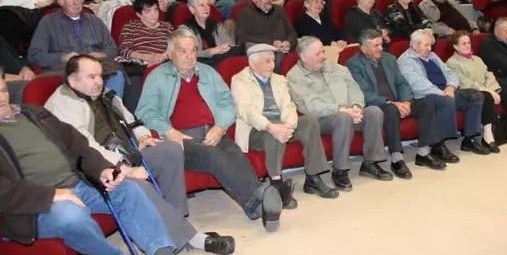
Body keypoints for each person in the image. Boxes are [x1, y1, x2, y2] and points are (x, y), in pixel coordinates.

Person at [0, 73, 214, 255]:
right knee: (71, 216)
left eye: (2, 91)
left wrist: (102, 168)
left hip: (77, 185)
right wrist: (53, 194)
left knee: (129, 190)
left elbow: (77, 143)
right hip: (35, 205)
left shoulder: (33, 114)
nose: (1, 99)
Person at [44, 55, 234, 255]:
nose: (99, 81)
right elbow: (85, 148)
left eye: (100, 76)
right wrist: (123, 167)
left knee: (170, 149)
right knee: (137, 185)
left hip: (126, 152)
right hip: (97, 169)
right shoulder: (63, 104)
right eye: (91, 77)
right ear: (73, 80)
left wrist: (143, 138)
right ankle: (189, 237)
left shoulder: (104, 95)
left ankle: (175, 222)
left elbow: (131, 120)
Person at [136, 26, 282, 230]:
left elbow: (227, 103)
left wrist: (221, 127)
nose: (189, 56)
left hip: (213, 131)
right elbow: (145, 112)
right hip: (182, 140)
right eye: (183, 51)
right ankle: (259, 193)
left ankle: (253, 202)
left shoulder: (208, 72)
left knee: (235, 153)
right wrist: (169, 131)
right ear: (170, 53)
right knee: (214, 156)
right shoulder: (157, 77)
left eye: (193, 50)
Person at [231, 44, 339, 206]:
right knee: (275, 133)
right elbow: (247, 111)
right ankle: (277, 184)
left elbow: (289, 106)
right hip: (257, 130)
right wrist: (270, 126)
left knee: (309, 120)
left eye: (273, 61)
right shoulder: (239, 80)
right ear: (252, 64)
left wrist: (288, 125)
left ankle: (313, 177)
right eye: (267, 61)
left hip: (282, 126)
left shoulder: (279, 80)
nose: (272, 65)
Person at [287, 36, 393, 190]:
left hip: (349, 112)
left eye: (323, 51)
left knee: (374, 112)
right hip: (322, 120)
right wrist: (341, 110)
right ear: (304, 57)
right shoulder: (294, 76)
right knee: (342, 118)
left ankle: (370, 163)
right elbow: (310, 105)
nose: (323, 56)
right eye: (317, 54)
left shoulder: (337, 68)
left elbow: (354, 89)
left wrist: (356, 106)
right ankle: (340, 170)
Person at [347, 29, 455, 176]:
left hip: (399, 101)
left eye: (381, 44)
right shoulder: (354, 64)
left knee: (426, 103)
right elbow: (363, 92)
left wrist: (406, 101)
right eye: (376, 45)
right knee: (391, 110)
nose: (381, 48)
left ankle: (423, 154)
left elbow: (402, 83)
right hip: (377, 104)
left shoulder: (389, 58)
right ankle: (396, 159)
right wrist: (391, 102)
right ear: (364, 48)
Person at [397, 28, 490, 155]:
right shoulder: (405, 61)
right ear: (414, 45)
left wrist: (451, 86)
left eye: (431, 45)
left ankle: (470, 139)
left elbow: (450, 72)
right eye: (426, 45)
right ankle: (438, 144)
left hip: (446, 91)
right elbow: (418, 85)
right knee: (446, 102)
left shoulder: (432, 56)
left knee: (476, 96)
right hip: (426, 96)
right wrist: (442, 93)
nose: (430, 48)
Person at [28, 0, 124, 95]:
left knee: (116, 74)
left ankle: (111, 109)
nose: (76, 2)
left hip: (97, 65)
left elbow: (112, 48)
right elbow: (34, 54)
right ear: (61, 1)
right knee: (79, 79)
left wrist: (102, 54)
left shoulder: (95, 21)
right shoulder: (48, 22)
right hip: (66, 69)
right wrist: (62, 57)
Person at [446, 30, 507, 146]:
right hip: (470, 92)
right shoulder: (452, 62)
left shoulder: (477, 59)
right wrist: (488, 91)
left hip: (488, 88)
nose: (468, 45)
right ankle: (488, 136)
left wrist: (494, 89)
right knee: (487, 97)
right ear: (455, 46)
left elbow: (488, 74)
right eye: (463, 43)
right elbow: (464, 82)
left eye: (469, 42)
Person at [235, 0, 297, 71]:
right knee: (277, 58)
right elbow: (242, 37)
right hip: (260, 51)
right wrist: (271, 43)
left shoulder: (278, 11)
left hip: (283, 49)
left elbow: (292, 32)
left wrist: (289, 42)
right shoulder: (245, 13)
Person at [183, 0, 239, 66]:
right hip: (201, 65)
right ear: (192, 9)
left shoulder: (216, 24)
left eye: (208, 5)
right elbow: (189, 53)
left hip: (221, 60)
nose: (206, 8)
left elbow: (230, 44)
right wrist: (211, 51)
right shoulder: (186, 29)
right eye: (202, 5)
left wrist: (226, 47)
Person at [116, 0, 173, 67]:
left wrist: (162, 57)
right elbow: (124, 51)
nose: (153, 14)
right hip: (138, 67)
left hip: (163, 65)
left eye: (155, 10)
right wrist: (147, 57)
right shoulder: (130, 27)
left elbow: (175, 48)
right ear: (138, 14)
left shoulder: (167, 27)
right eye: (148, 11)